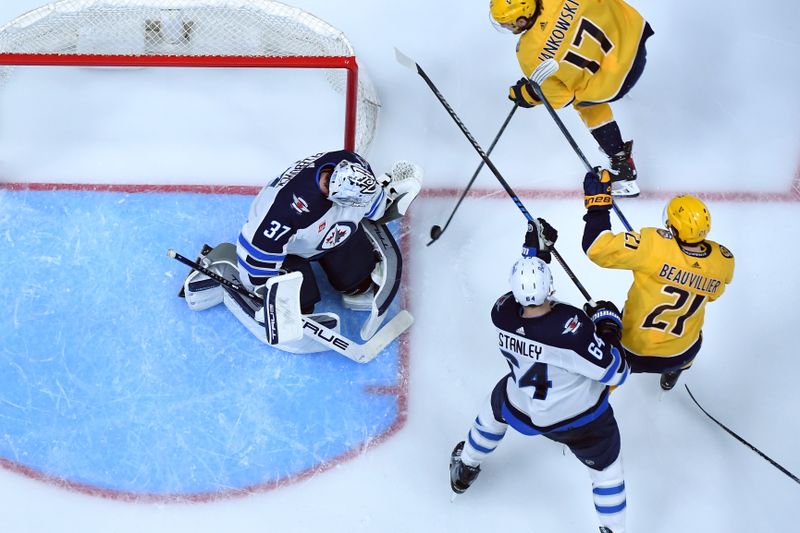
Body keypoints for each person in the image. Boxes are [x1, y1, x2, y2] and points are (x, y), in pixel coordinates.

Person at [449, 218, 630, 533]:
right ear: (551, 287)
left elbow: (527, 297)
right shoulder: (572, 327)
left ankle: (466, 466)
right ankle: (613, 530)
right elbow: (616, 372)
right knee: (608, 473)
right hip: (580, 418)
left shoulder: (501, 311)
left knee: (494, 408)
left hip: (524, 407)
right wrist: (609, 327)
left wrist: (534, 251)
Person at [181, 149, 423, 353]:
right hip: (288, 250)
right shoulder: (284, 211)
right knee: (298, 307)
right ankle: (225, 258)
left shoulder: (354, 165)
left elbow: (372, 201)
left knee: (357, 277)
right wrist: (262, 288)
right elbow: (259, 255)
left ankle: (350, 281)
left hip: (328, 234)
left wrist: (396, 193)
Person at [582, 170, 735, 390]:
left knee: (602, 383)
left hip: (630, 351)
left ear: (672, 227)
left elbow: (596, 247)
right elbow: (713, 295)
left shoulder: (654, 246)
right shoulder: (723, 261)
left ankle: (598, 397)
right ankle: (674, 373)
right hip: (680, 354)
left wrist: (598, 206)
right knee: (691, 342)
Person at [489, 0, 654, 197]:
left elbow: (560, 98)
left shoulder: (528, 53)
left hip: (616, 83)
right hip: (634, 39)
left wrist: (528, 94)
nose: (507, 27)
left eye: (508, 23)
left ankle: (621, 161)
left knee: (582, 100)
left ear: (522, 20)